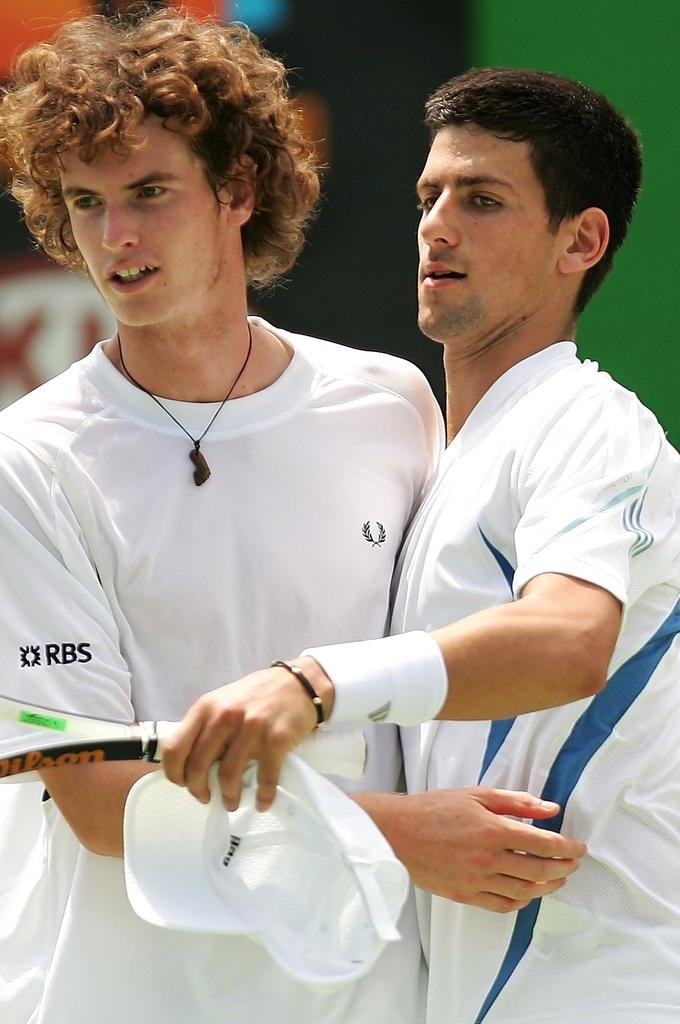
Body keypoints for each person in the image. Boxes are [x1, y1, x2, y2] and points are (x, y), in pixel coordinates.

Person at [0, 15, 583, 1024]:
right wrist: (403, 836)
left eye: (151, 191)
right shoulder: (13, 468)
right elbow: (104, 802)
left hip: (361, 998)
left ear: (237, 189)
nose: (119, 239)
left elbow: (432, 696)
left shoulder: (391, 406)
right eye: (88, 203)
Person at [164, 67, 680, 1022]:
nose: (438, 224)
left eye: (482, 200)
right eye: (428, 195)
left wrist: (310, 683)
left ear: (584, 241)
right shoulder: (453, 453)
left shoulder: (589, 425)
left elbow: (570, 639)